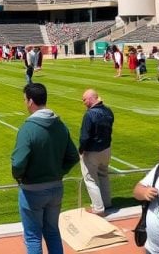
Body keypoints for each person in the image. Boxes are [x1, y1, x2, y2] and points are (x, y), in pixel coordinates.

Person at [11, 83, 79, 254]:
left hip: (32, 190)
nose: (25, 103)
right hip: (56, 188)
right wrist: (59, 172)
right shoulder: (60, 125)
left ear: (31, 101)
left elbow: (18, 164)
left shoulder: (28, 129)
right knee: (53, 232)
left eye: (25, 100)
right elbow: (73, 156)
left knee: (33, 236)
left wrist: (20, 177)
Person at [78, 89, 114, 216]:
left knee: (90, 179)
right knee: (103, 175)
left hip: (92, 151)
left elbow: (85, 137)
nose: (84, 102)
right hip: (106, 149)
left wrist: (81, 150)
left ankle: (98, 208)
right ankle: (107, 202)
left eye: (84, 100)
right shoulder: (108, 111)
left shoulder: (89, 115)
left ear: (91, 98)